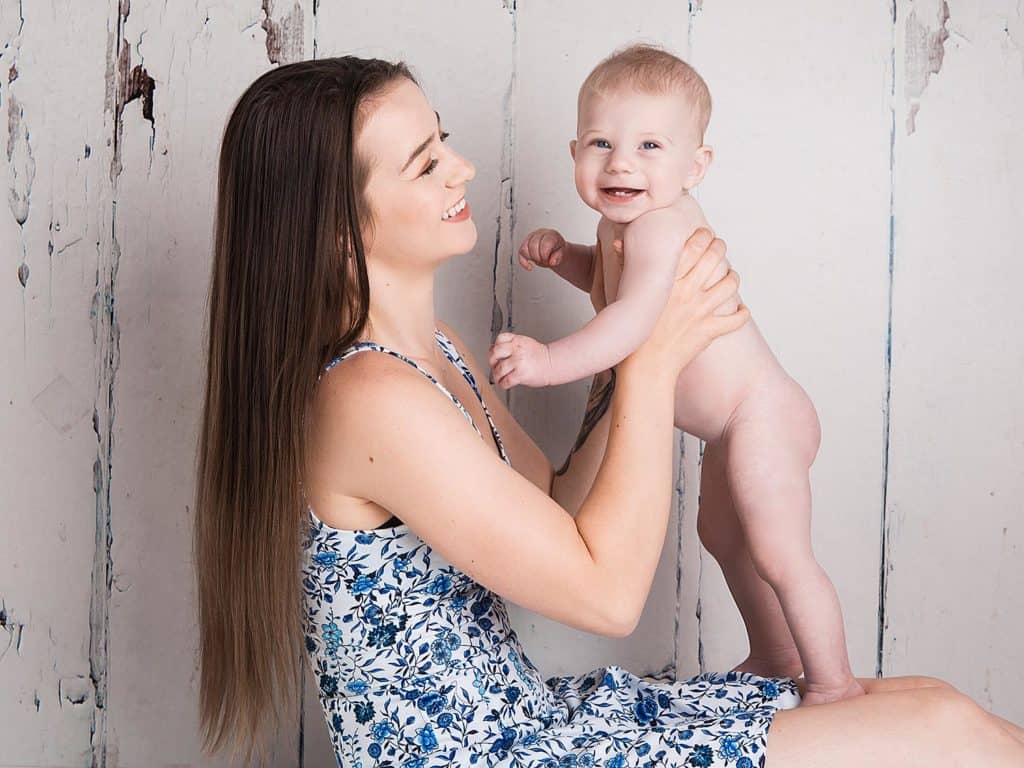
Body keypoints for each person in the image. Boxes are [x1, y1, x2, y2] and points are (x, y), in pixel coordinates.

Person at [193, 55, 1024, 767]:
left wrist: (628, 329)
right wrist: (654, 355)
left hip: (528, 724)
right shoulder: (366, 396)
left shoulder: (436, 350)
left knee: (934, 703)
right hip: (492, 754)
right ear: (335, 227)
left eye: (442, 138)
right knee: (942, 732)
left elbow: (556, 505)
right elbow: (606, 595)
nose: (463, 168)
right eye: (423, 164)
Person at [490, 43, 858, 707]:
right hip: (731, 423)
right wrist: (568, 259)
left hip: (761, 414)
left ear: (696, 167)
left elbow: (633, 321)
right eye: (600, 142)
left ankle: (835, 684)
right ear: (575, 151)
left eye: (650, 146)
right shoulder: (620, 225)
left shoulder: (661, 229)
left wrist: (549, 360)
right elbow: (615, 289)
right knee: (720, 535)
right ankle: (776, 654)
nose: (621, 161)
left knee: (778, 553)